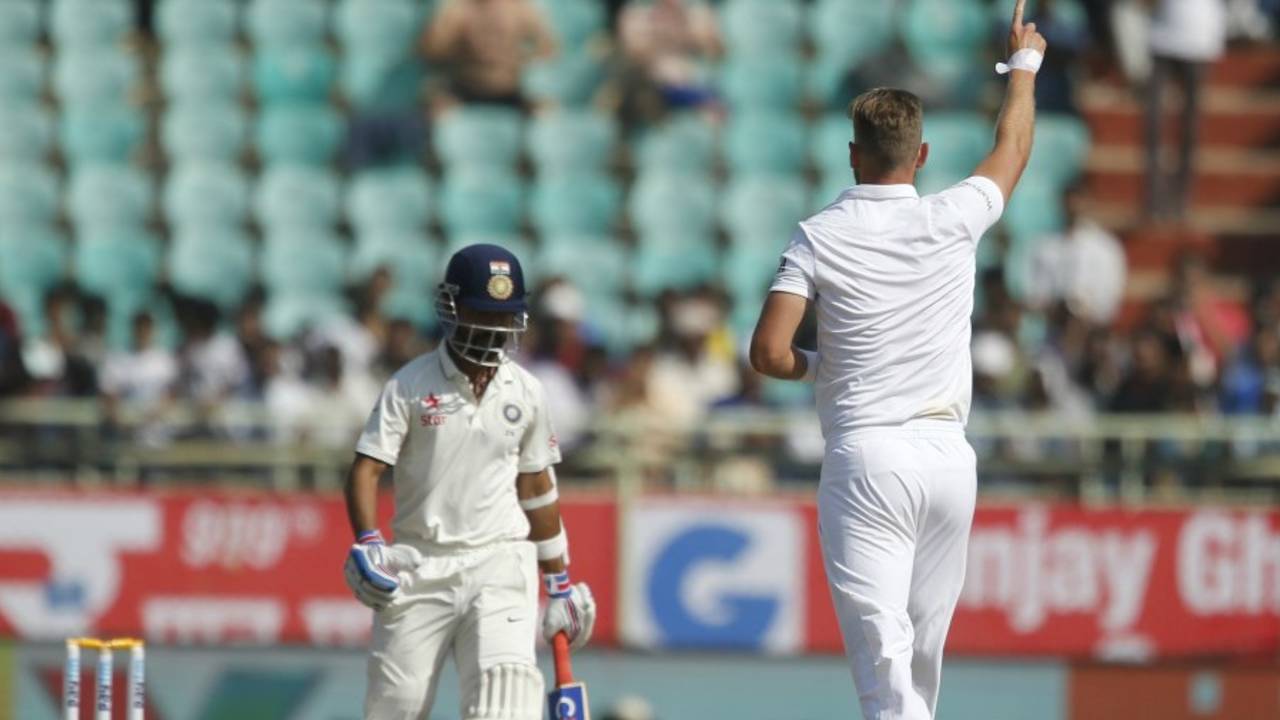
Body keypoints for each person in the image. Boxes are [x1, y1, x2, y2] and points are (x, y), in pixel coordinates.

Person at [747, 3, 1045, 718]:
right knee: (919, 669)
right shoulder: (952, 217)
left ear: (852, 152)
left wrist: (821, 368)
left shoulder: (818, 236)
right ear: (921, 155)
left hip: (869, 459)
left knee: (884, 671)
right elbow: (1011, 148)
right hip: (949, 460)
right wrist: (1024, 65)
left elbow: (767, 352)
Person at [343, 244, 596, 720]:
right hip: (420, 563)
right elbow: (366, 468)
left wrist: (559, 582)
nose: (494, 330)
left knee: (506, 703)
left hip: (500, 561)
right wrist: (368, 540)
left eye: (504, 318)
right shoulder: (409, 385)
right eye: (483, 314)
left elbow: (537, 486)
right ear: (454, 309)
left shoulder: (527, 390)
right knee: (395, 708)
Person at [1144, 0, 1227, 221]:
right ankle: (1154, 200)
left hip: (1199, 35)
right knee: (1155, 125)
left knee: (1189, 127)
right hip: (1162, 35)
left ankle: (1181, 201)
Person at [421, 0, 558, 112]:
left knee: (548, 111)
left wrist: (521, 59)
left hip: (513, 89)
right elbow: (432, 52)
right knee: (434, 104)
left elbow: (549, 47)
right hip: (464, 89)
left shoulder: (522, 8)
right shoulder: (458, 9)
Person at [1024, 181, 1128, 326]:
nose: (1073, 206)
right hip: (1054, 329)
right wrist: (1056, 307)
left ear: (1089, 202)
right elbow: (1035, 296)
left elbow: (1110, 298)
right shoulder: (1045, 246)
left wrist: (1085, 309)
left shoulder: (1106, 248)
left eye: (1079, 200)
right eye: (1069, 201)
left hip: (1092, 332)